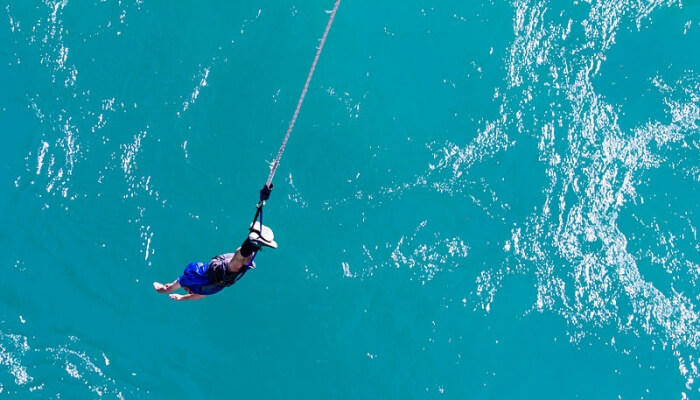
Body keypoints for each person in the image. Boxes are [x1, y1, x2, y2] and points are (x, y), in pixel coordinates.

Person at [153, 222, 277, 301]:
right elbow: (197, 296)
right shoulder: (201, 291)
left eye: (186, 290)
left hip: (215, 271)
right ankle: (256, 241)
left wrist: (160, 290)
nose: (187, 291)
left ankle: (252, 240)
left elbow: (169, 288)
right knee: (244, 262)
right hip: (221, 275)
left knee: (235, 264)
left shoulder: (187, 280)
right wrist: (181, 298)